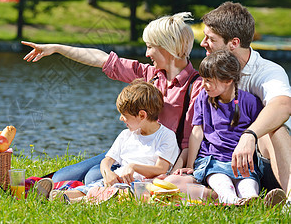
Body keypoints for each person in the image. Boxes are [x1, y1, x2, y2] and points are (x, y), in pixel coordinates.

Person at [22, 12, 202, 184]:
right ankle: (50, 187)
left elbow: (187, 141)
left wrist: (170, 177)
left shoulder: (196, 86)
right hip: (130, 151)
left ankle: (75, 192)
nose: (146, 54)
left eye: (150, 46)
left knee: (93, 177)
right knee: (60, 177)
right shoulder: (149, 74)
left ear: (168, 47)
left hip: (157, 161)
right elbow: (102, 59)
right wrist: (57, 48)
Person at [167, 1, 291, 206]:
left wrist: (250, 135)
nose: (203, 43)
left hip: (263, 161)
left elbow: (283, 106)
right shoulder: (210, 78)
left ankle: (288, 201)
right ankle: (229, 197)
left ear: (233, 43)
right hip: (219, 161)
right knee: (175, 184)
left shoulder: (268, 71)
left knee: (276, 129)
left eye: (210, 39)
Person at [49, 80, 179, 202]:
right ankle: (56, 196)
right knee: (92, 187)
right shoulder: (126, 135)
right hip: (119, 179)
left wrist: (133, 167)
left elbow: (161, 168)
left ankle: (74, 200)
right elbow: (107, 160)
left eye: (125, 115)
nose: (121, 119)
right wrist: (108, 173)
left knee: (115, 192)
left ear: (142, 115)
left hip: (143, 184)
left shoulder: (166, 136)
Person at [175, 50, 263, 204]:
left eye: (208, 80)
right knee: (223, 185)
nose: (203, 84)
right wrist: (190, 165)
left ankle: (252, 200)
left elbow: (261, 134)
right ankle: (231, 200)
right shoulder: (203, 98)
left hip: (241, 164)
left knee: (248, 186)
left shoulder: (250, 102)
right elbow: (197, 132)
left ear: (228, 80)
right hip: (213, 161)